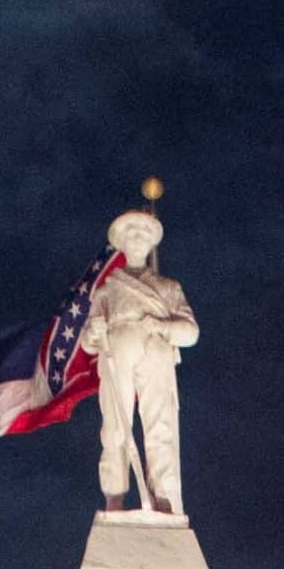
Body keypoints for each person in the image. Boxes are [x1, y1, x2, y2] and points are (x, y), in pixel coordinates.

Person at [84, 206, 197, 512]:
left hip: (157, 348)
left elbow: (190, 332)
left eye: (143, 234)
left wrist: (162, 326)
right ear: (121, 242)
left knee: (160, 424)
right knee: (116, 423)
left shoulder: (169, 287)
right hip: (118, 347)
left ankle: (164, 496)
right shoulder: (107, 292)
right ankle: (114, 495)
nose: (137, 239)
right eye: (131, 234)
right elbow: (87, 342)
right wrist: (94, 332)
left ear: (151, 243)